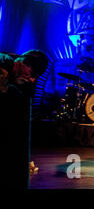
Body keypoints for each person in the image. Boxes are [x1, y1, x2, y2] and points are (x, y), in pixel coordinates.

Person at [0, 50, 49, 189]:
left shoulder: (13, 66)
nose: (31, 79)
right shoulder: (4, 64)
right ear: (23, 63)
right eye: (31, 74)